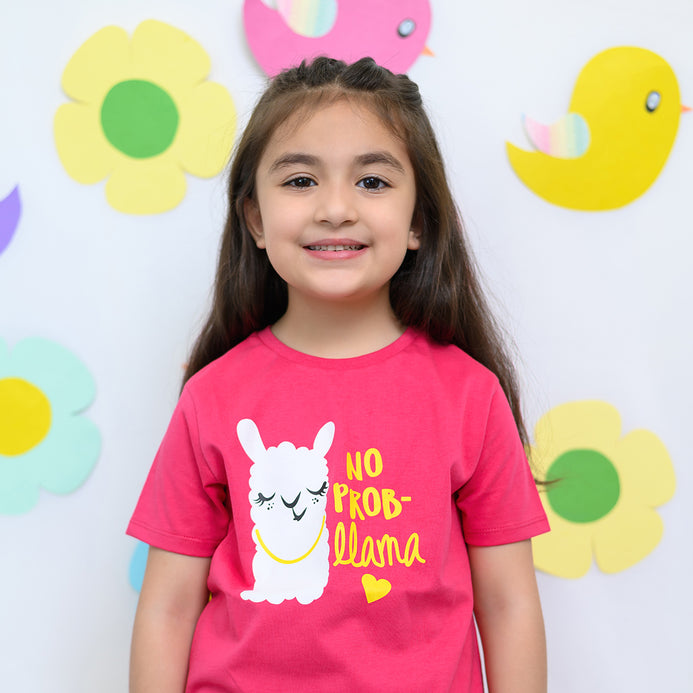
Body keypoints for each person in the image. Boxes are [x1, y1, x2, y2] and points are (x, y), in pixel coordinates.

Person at [128, 56, 549, 693]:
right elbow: (167, 608)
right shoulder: (211, 396)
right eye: (300, 180)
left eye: (372, 182)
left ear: (417, 221)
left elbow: (509, 605)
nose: (335, 208)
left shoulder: (470, 396)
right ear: (255, 219)